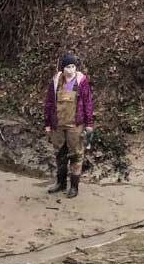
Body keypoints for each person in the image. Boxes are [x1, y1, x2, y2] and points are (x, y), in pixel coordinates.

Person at [43, 53, 95, 197]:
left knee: (76, 155)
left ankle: (74, 187)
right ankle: (60, 183)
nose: (71, 70)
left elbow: (88, 103)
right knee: (60, 154)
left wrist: (89, 124)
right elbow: (48, 103)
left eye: (73, 66)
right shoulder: (55, 81)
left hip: (75, 125)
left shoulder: (82, 81)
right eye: (67, 67)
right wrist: (47, 123)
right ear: (62, 68)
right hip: (57, 125)